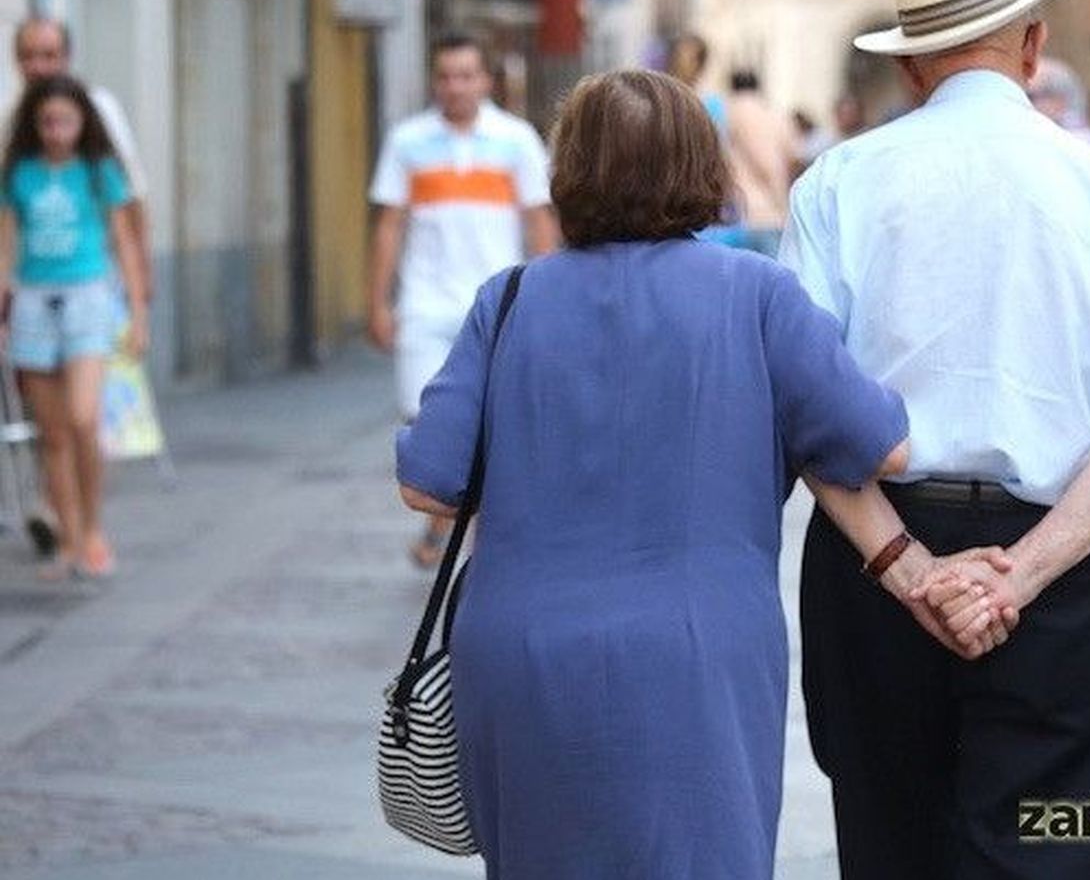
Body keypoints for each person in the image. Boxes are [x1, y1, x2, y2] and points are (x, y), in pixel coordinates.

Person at [394, 69, 1012, 879]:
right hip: (697, 656)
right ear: (701, 168)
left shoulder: (508, 300)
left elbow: (426, 482)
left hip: (522, 654)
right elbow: (882, 448)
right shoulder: (757, 296)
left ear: (567, 170)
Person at [781, 0, 1090, 879]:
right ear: (1033, 45)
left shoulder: (837, 186)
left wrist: (910, 570)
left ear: (908, 68)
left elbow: (804, 414)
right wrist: (1014, 578)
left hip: (875, 571)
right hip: (1062, 569)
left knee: (889, 847)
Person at [367, 32, 558, 568]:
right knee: (426, 420)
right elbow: (389, 225)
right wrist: (378, 304)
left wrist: (547, 302)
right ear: (435, 81)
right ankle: (450, 527)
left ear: (486, 81)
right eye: (446, 75)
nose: (456, 86)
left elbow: (539, 221)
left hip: (497, 306)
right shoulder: (407, 140)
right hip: (425, 306)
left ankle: (456, 539)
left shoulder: (517, 139)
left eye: (466, 75)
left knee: (493, 423)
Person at [12, 17, 156, 558]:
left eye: (49, 54)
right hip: (31, 297)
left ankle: (86, 526)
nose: (38, 66)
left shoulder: (99, 117)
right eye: (28, 55)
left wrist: (141, 291)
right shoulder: (13, 126)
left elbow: (130, 204)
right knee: (48, 430)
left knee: (83, 419)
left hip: (90, 293)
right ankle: (65, 527)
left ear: (67, 55)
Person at [725, 68, 798, 256]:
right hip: (774, 214)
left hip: (738, 216)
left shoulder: (727, 110)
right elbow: (793, 159)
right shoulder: (777, 115)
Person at [1027, 55, 1090, 150]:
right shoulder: (1024, 137)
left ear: (1059, 101)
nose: (1026, 103)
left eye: (1032, 97)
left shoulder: (1084, 142)